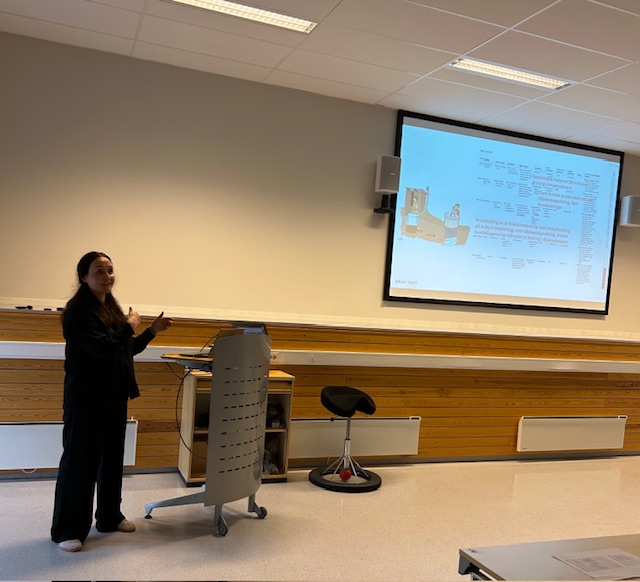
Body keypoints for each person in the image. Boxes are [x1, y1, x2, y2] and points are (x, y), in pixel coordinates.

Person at [51, 251, 173, 552]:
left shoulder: (112, 309)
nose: (107, 276)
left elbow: (124, 349)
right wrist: (130, 325)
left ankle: (109, 516)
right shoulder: (78, 311)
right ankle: (68, 529)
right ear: (84, 277)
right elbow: (101, 348)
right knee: (80, 462)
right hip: (86, 398)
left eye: (110, 270)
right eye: (99, 271)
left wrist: (150, 331)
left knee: (111, 459)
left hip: (114, 395)